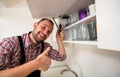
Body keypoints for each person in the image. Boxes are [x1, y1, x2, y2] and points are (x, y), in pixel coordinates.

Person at [0, 18, 66, 77]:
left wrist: (59, 41)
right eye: (43, 27)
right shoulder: (10, 43)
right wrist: (36, 64)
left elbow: (61, 57)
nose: (45, 33)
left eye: (49, 32)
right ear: (35, 25)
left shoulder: (45, 47)